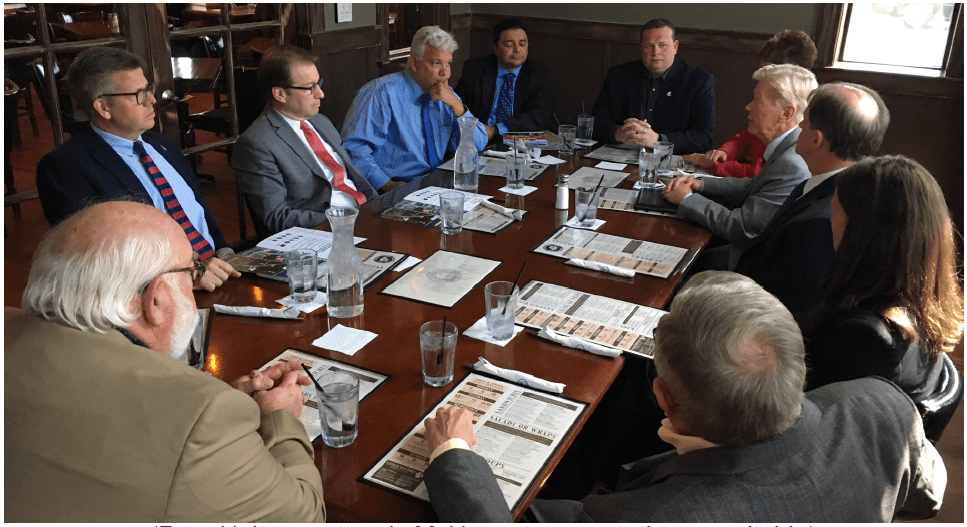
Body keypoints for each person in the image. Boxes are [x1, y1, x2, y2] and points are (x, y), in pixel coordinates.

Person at [421, 271, 946, 522]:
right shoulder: (886, 408)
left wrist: (454, 456)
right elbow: (927, 498)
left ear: (663, 398)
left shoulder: (649, 516)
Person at [5, 201, 325, 522]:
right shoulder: (203, 416)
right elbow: (304, 517)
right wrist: (280, 420)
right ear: (155, 300)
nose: (197, 280)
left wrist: (203, 405)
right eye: (192, 272)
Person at [36, 47, 240, 292]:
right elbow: (99, 257)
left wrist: (224, 252)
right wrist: (190, 273)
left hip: (221, 271)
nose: (152, 100)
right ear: (103, 107)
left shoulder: (161, 144)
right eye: (139, 94)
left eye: (149, 89)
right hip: (156, 295)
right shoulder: (65, 167)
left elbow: (197, 213)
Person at [801, 155, 964, 406]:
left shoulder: (864, 339)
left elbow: (806, 417)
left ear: (863, 233)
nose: (830, 222)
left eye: (835, 213)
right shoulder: (922, 309)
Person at [734, 82, 890, 315]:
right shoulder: (834, 185)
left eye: (804, 120)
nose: (798, 126)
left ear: (816, 140)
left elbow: (786, 307)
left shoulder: (824, 219)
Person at [663, 64, 815, 258]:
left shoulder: (792, 162)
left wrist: (687, 199)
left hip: (748, 262)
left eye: (757, 100)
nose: (748, 106)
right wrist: (700, 183)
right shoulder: (788, 146)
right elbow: (753, 186)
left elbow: (741, 227)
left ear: (786, 113)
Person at [233, 45, 376, 234]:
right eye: (310, 88)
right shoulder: (256, 144)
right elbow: (277, 216)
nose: (320, 94)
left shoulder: (319, 121)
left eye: (319, 83)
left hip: (368, 212)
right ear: (280, 94)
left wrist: (378, 209)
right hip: (328, 230)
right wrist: (346, 220)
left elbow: (351, 177)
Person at [342, 25, 488, 193]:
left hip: (437, 183)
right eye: (436, 63)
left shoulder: (448, 96)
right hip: (396, 187)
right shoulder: (380, 94)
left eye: (448, 63)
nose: (445, 73)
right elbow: (353, 150)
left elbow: (478, 144)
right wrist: (386, 185)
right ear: (415, 63)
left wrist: (458, 107)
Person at [685, 30, 818, 179]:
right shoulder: (766, 109)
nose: (762, 76)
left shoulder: (802, 127)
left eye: (769, 71)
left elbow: (759, 173)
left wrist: (715, 166)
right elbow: (744, 139)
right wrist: (723, 153)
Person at [591, 19, 715, 154]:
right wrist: (617, 133)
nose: (656, 52)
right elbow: (595, 123)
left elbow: (703, 138)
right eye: (649, 46)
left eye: (663, 45)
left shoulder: (699, 81)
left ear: (675, 47)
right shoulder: (618, 75)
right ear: (641, 48)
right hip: (618, 157)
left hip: (671, 162)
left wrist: (658, 140)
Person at [454, 17, 553, 143]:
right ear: (495, 48)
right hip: (479, 139)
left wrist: (495, 130)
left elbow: (537, 117)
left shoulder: (539, 73)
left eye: (523, 44)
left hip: (518, 142)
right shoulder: (474, 69)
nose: (517, 50)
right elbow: (459, 105)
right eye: (509, 45)